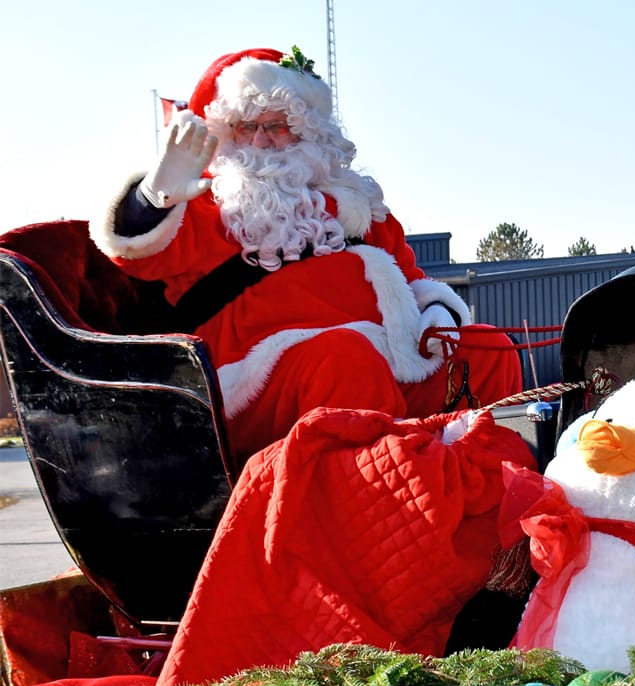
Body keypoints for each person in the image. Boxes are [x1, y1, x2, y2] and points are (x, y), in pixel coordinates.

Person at [89, 46, 522, 462]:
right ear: (226, 135)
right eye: (245, 127)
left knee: (488, 349)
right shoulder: (208, 205)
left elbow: (411, 278)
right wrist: (155, 196)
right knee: (345, 358)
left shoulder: (357, 205)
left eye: (277, 125)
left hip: (387, 359)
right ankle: (375, 494)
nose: (260, 140)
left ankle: (486, 485)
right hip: (259, 379)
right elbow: (136, 254)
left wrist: (439, 313)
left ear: (308, 132)